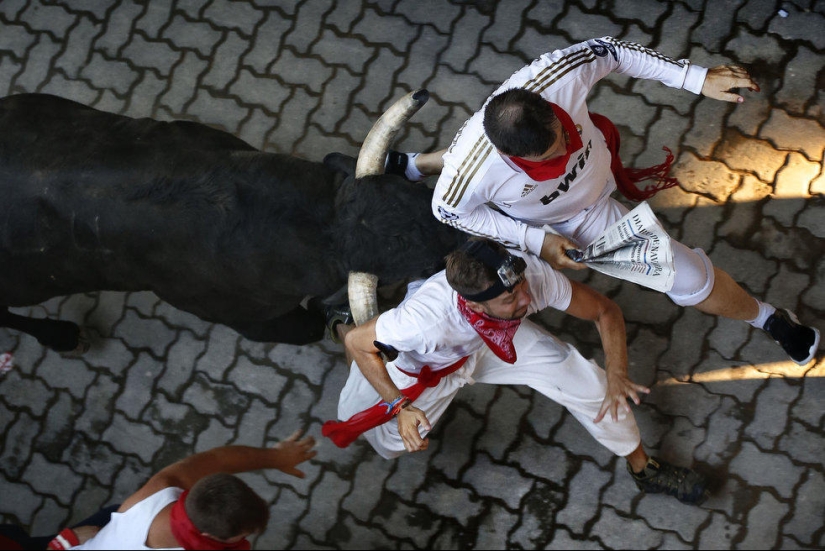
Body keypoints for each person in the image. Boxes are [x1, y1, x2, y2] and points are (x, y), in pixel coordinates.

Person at [387, 36, 819, 366]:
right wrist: (536, 241)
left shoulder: (557, 76)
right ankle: (768, 318)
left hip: (596, 173)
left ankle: (415, 163)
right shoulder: (473, 172)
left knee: (468, 162)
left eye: (562, 138)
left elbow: (610, 49)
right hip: (576, 220)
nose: (565, 153)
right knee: (686, 279)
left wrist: (695, 78)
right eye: (548, 159)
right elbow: (446, 209)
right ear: (511, 158)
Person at [323, 237, 709, 505]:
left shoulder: (528, 279)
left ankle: (644, 469)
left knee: (591, 386)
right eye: (511, 298)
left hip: (497, 340)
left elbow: (604, 311)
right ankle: (340, 316)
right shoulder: (422, 322)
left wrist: (617, 370)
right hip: (427, 365)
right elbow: (359, 344)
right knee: (386, 440)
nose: (528, 298)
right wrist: (399, 405)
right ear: (473, 306)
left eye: (523, 285)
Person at [42, 431, 316, 550]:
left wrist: (276, 457)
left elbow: (220, 460)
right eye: (243, 535)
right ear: (208, 536)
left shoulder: (160, 491)